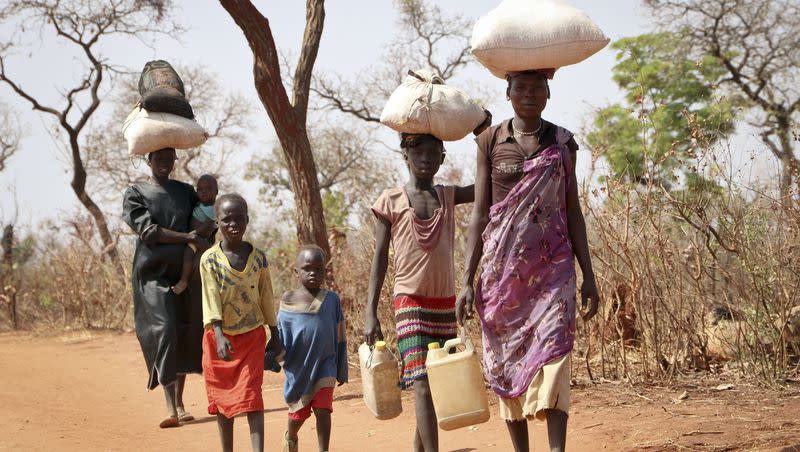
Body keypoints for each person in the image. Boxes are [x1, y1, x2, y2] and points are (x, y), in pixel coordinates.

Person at [456, 69, 600, 452]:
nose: (530, 94)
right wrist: (466, 280)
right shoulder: (490, 140)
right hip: (503, 277)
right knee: (505, 362)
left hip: (554, 272)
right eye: (522, 87)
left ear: (549, 93)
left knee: (555, 354)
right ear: (508, 93)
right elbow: (480, 214)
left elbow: (573, 211)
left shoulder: (562, 143)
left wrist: (589, 274)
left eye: (538, 87)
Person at [363, 113, 490, 452]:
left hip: (443, 303)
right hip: (409, 301)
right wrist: (370, 313)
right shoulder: (390, 201)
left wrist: (483, 135)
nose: (425, 160)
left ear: (442, 159)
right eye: (418, 153)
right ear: (405, 155)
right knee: (420, 381)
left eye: (433, 155)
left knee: (435, 381)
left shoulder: (447, 196)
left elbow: (485, 186)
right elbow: (379, 258)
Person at [122, 147, 206, 428]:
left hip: (185, 272)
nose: (164, 163)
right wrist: (186, 235)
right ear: (149, 160)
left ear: (174, 160)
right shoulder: (136, 193)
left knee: (184, 330)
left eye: (169, 158)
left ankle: (180, 403)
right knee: (166, 329)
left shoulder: (185, 191)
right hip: (152, 274)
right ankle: (170, 405)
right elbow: (148, 232)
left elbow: (203, 221)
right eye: (158, 158)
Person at [199, 193, 283, 452]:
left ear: (247, 220)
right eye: (227, 220)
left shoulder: (258, 258)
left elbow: (266, 296)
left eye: (239, 219)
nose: (233, 224)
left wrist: (274, 331)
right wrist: (219, 333)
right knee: (223, 401)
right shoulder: (209, 260)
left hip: (251, 338)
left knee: (252, 397)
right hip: (219, 340)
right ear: (217, 222)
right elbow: (210, 298)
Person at [278, 245, 348, 452]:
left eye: (319, 269)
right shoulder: (287, 301)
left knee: (323, 410)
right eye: (307, 268)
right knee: (298, 415)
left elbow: (340, 336)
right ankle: (290, 436)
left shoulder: (332, 300)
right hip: (299, 368)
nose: (313, 273)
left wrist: (341, 369)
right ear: (296, 271)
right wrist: (272, 357)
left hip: (326, 364)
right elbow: (280, 336)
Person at [172, 174, 218, 295]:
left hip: (198, 239)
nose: (203, 192)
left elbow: (208, 226)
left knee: (188, 254)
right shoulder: (200, 203)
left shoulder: (214, 209)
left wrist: (194, 234)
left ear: (216, 191)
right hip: (193, 236)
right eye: (200, 189)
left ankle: (184, 280)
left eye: (208, 189)